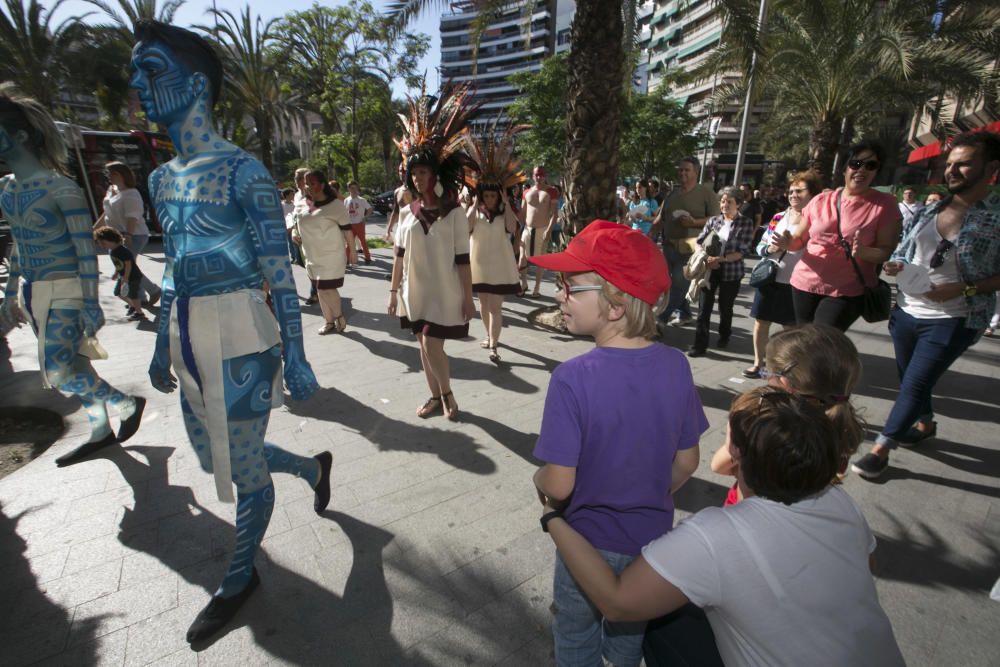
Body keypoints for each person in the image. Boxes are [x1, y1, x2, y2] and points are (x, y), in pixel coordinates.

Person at [130, 21, 331, 643]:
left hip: (243, 334)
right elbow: (173, 267)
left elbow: (278, 270)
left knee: (242, 470)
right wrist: (161, 336)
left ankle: (239, 578)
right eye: (135, 71)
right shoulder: (162, 180)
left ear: (195, 85)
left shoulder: (245, 173)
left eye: (152, 69)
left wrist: (296, 353)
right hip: (186, 334)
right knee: (215, 454)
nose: (138, 83)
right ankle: (309, 467)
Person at [541, 384, 906, 667]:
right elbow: (866, 567)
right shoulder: (840, 502)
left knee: (660, 618)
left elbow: (618, 603)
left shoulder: (715, 534)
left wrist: (553, 518)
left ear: (737, 457)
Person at [529, 220, 704, 667]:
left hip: (585, 544)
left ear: (614, 306)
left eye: (570, 287)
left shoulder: (571, 379)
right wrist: (645, 491)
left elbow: (560, 485)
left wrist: (539, 478)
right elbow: (687, 461)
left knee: (574, 630)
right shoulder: (676, 366)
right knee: (628, 640)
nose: (557, 295)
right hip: (652, 546)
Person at [0, 82, 146, 465]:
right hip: (32, 292)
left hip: (64, 290)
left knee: (60, 371)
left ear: (18, 135)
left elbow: (85, 251)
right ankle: (101, 430)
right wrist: (10, 292)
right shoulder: (7, 189)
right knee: (77, 364)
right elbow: (18, 242)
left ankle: (127, 404)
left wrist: (91, 303)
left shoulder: (62, 189)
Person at [852, 131, 1000, 479]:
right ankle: (926, 422)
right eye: (949, 164)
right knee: (911, 378)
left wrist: (962, 290)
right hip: (906, 311)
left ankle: (881, 448)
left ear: (991, 168)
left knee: (916, 382)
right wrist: (895, 265)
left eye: (964, 165)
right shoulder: (931, 208)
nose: (953, 171)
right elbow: (904, 251)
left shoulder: (995, 217)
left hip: (955, 318)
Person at [388, 81, 477, 421]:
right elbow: (398, 254)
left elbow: (462, 259)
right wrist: (394, 292)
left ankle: (448, 395)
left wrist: (469, 298)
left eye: (423, 172)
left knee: (431, 344)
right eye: (414, 173)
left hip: (444, 290)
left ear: (435, 174)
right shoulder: (408, 214)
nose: (418, 178)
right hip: (415, 290)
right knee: (422, 346)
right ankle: (436, 397)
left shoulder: (453, 212)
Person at [714, 323, 865, 504]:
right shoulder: (841, 423)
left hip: (747, 513)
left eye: (767, 371)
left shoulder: (760, 420)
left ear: (784, 382)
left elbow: (718, 466)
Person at [775, 139, 902, 331]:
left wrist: (864, 252)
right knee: (805, 339)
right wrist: (787, 243)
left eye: (870, 165)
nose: (861, 170)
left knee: (821, 339)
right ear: (845, 169)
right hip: (805, 283)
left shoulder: (885, 205)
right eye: (856, 164)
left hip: (846, 290)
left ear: (877, 171)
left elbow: (885, 251)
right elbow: (799, 241)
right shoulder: (821, 200)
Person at [743, 171, 820, 377]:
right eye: (791, 191)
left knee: (790, 330)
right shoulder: (778, 217)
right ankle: (759, 364)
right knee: (761, 322)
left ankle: (785, 369)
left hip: (797, 284)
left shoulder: (816, 221)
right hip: (770, 279)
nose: (793, 195)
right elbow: (760, 245)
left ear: (812, 194)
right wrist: (767, 249)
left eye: (799, 191)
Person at [463, 124, 526, 364]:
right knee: (483, 305)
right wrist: (473, 202)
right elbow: (466, 227)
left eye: (492, 195)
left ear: (498, 196)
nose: (489, 199)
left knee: (495, 308)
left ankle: (494, 344)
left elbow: (512, 227)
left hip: (499, 266)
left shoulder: (503, 213)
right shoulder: (475, 212)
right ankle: (489, 336)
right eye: (486, 195)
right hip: (479, 265)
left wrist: (506, 201)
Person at [650, 156, 720, 326]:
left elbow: (718, 219)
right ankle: (685, 313)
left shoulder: (706, 194)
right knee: (667, 284)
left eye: (686, 170)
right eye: (680, 169)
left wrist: (694, 222)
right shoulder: (672, 193)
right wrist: (648, 237)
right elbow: (661, 218)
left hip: (692, 248)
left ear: (696, 172)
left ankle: (660, 319)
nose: (682, 173)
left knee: (679, 285)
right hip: (669, 246)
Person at [688, 186, 754, 357]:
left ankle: (725, 334)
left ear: (738, 204)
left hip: (731, 271)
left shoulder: (745, 223)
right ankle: (699, 345)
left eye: (729, 202)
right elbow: (699, 241)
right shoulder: (713, 221)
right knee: (704, 309)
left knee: (726, 308)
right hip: (709, 270)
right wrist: (704, 255)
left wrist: (721, 259)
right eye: (723, 201)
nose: (724, 205)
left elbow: (743, 250)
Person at [93, 161, 161, 307]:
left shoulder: (131, 193)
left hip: (134, 235)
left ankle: (151, 291)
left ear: (120, 174)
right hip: (116, 235)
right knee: (129, 266)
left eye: (111, 174)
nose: (108, 177)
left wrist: (128, 235)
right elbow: (106, 212)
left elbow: (133, 217)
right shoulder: (111, 190)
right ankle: (140, 297)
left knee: (126, 267)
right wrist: (95, 228)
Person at [299, 170, 349, 335]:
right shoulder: (301, 204)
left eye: (312, 183)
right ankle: (328, 322)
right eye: (306, 183)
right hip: (311, 254)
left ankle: (339, 317)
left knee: (326, 288)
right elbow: (295, 219)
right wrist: (293, 233)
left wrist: (353, 253)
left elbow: (347, 230)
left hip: (331, 255)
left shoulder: (335, 205)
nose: (308, 186)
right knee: (320, 290)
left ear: (321, 185)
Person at [94, 226, 148, 322]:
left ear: (112, 240)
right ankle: (132, 306)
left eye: (103, 243)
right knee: (118, 293)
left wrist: (126, 278)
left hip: (132, 276)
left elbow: (128, 264)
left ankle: (139, 313)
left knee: (132, 295)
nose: (101, 246)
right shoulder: (112, 250)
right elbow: (119, 263)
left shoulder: (122, 250)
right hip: (123, 276)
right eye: (100, 243)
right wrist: (116, 273)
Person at [519, 165, 559, 297]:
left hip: (542, 229)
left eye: (541, 175)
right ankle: (523, 284)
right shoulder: (526, 192)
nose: (539, 177)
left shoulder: (551, 191)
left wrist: (548, 230)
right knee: (522, 258)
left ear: (545, 176)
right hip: (527, 229)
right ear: (533, 176)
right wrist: (518, 229)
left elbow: (554, 214)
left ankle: (536, 288)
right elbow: (523, 213)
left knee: (540, 260)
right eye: (537, 175)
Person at [345, 180, 372, 265]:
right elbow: (344, 212)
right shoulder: (346, 200)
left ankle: (367, 258)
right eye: (352, 188)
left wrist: (365, 217)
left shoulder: (362, 200)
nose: (354, 190)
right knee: (349, 243)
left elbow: (370, 209)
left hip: (359, 224)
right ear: (348, 189)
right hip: (350, 225)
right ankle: (346, 260)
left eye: (355, 188)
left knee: (363, 242)